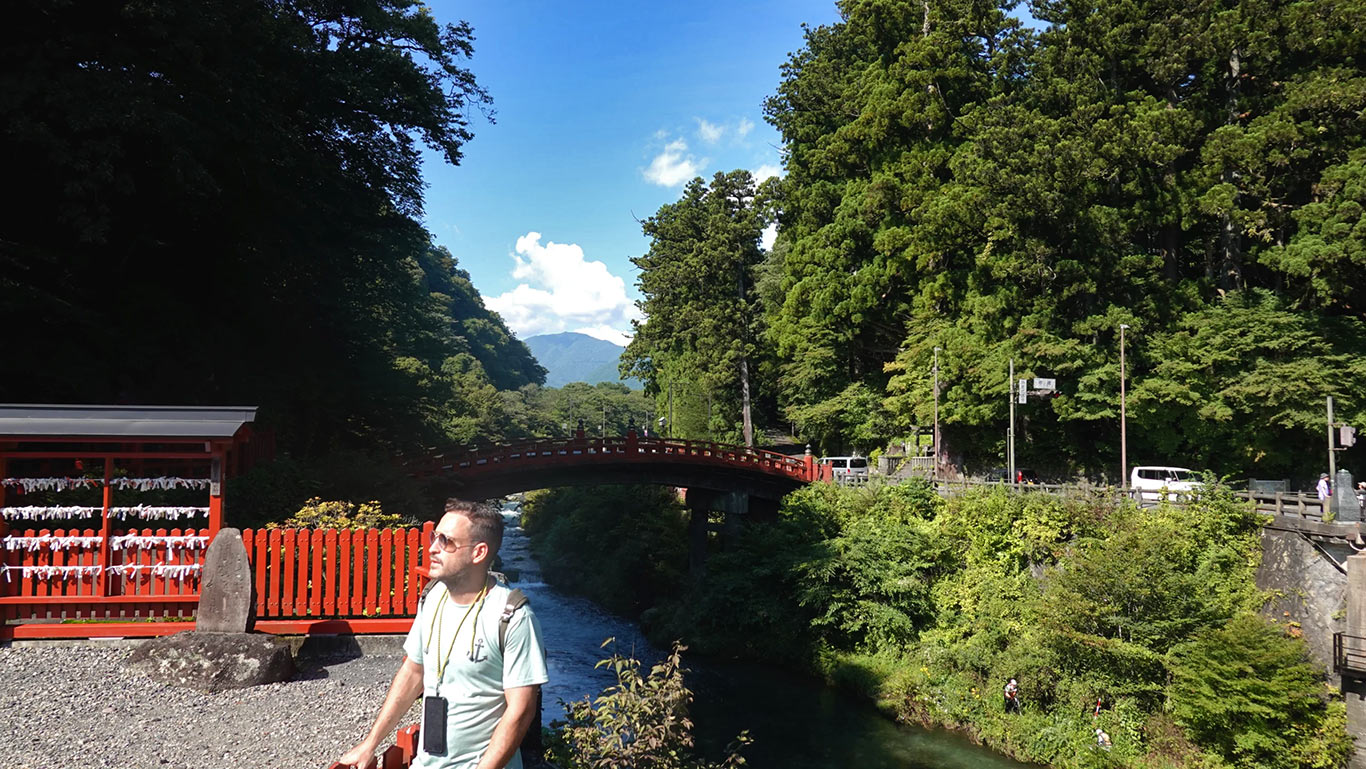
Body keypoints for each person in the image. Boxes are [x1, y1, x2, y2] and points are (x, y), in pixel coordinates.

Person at [338, 499, 549, 769]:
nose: (432, 548)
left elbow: (521, 710)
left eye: (446, 541)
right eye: (434, 537)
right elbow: (413, 672)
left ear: (478, 553)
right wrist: (370, 744)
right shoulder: (433, 596)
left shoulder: (513, 616)